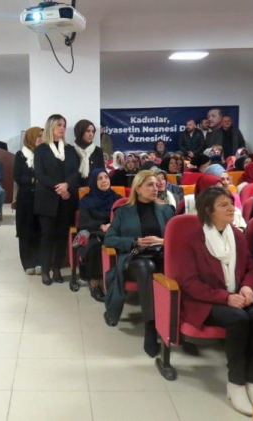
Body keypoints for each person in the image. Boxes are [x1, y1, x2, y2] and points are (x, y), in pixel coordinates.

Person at [177, 187, 253, 416]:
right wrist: (226, 297)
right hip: (205, 301)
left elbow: (251, 267)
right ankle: (236, 383)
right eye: (224, 205)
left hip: (236, 295)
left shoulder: (236, 235)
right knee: (238, 318)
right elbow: (190, 283)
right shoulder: (192, 240)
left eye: (231, 203)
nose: (231, 208)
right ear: (208, 210)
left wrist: (247, 286)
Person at [104, 171, 174, 355]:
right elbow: (109, 239)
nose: (155, 188)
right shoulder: (123, 211)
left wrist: (161, 241)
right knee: (145, 267)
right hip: (134, 258)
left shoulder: (167, 210)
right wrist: (135, 242)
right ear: (138, 188)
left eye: (156, 184)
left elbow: (177, 238)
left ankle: (177, 320)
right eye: (150, 185)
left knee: (163, 265)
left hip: (160, 255)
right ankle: (150, 328)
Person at [34, 114, 80, 285]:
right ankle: (45, 270)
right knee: (47, 235)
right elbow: (40, 174)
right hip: (47, 199)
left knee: (61, 236)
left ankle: (57, 268)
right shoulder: (41, 150)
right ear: (50, 127)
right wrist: (59, 188)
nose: (62, 128)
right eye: (59, 125)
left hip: (66, 199)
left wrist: (67, 185)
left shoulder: (70, 149)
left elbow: (75, 172)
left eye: (64, 125)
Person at [77, 169, 120, 302]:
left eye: (106, 177)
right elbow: (84, 221)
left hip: (113, 231)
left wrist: (112, 225)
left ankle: (118, 282)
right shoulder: (86, 200)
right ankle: (95, 283)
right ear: (93, 182)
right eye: (99, 178)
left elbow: (123, 216)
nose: (104, 181)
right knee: (95, 246)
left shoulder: (117, 198)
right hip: (91, 231)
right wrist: (101, 225)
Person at [14, 127, 42, 275]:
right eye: (38, 136)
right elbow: (18, 176)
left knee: (39, 229)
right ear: (30, 138)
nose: (41, 139)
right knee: (25, 230)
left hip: (41, 198)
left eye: (42, 136)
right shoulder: (21, 155)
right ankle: (27, 262)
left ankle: (39, 261)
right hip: (25, 199)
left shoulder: (44, 154)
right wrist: (34, 180)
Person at [73, 119, 105, 186]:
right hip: (74, 189)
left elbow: (101, 173)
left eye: (93, 131)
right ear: (80, 132)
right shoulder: (71, 151)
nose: (91, 134)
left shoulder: (98, 151)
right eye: (88, 131)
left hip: (93, 189)